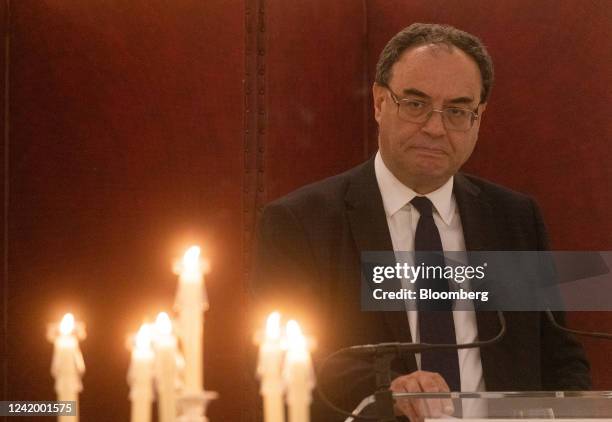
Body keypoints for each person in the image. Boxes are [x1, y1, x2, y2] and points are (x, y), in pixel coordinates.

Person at [251, 23, 590, 421]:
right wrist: (386, 392)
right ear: (379, 102)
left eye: (458, 111)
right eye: (415, 104)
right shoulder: (302, 222)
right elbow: (282, 364)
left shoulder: (514, 219)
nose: (434, 127)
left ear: (478, 118)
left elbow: (560, 357)